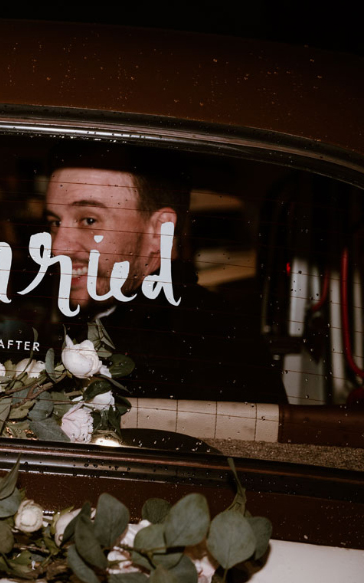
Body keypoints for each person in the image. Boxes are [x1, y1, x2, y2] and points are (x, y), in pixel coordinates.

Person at [46, 145, 287, 404]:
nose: (58, 247)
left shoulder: (201, 345)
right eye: (55, 222)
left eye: (89, 220)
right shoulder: (104, 319)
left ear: (159, 231)